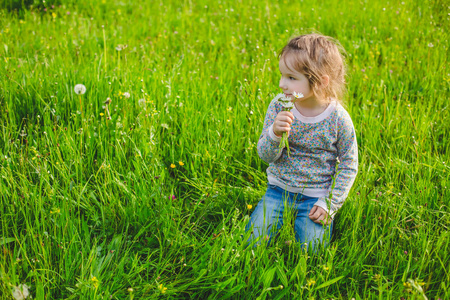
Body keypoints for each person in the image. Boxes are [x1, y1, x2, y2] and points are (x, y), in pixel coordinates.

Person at [245, 33, 358, 252]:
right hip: (278, 190)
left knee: (312, 252)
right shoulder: (279, 106)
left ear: (320, 81)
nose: (281, 84)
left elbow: (349, 164)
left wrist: (329, 203)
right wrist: (274, 134)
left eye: (291, 78)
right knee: (250, 243)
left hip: (316, 198)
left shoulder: (338, 118)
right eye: (282, 75)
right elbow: (266, 155)